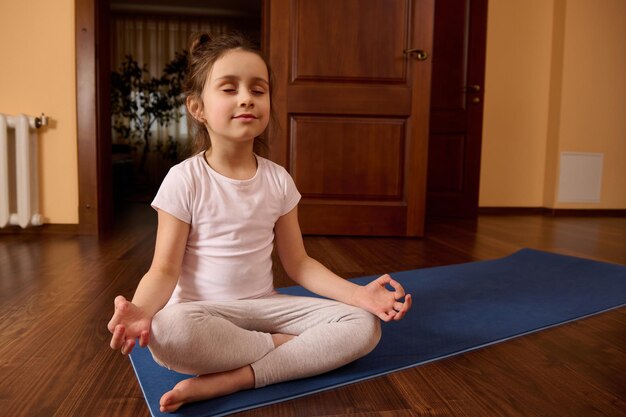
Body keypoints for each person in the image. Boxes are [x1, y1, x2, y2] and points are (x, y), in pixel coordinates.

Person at [107, 32, 412, 414]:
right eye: (229, 89)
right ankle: (285, 351)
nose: (246, 98)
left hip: (265, 309)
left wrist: (359, 296)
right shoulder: (184, 179)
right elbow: (164, 269)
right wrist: (141, 309)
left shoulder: (279, 180)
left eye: (258, 89)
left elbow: (299, 263)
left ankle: (237, 378)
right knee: (168, 333)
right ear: (197, 108)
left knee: (364, 326)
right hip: (204, 314)